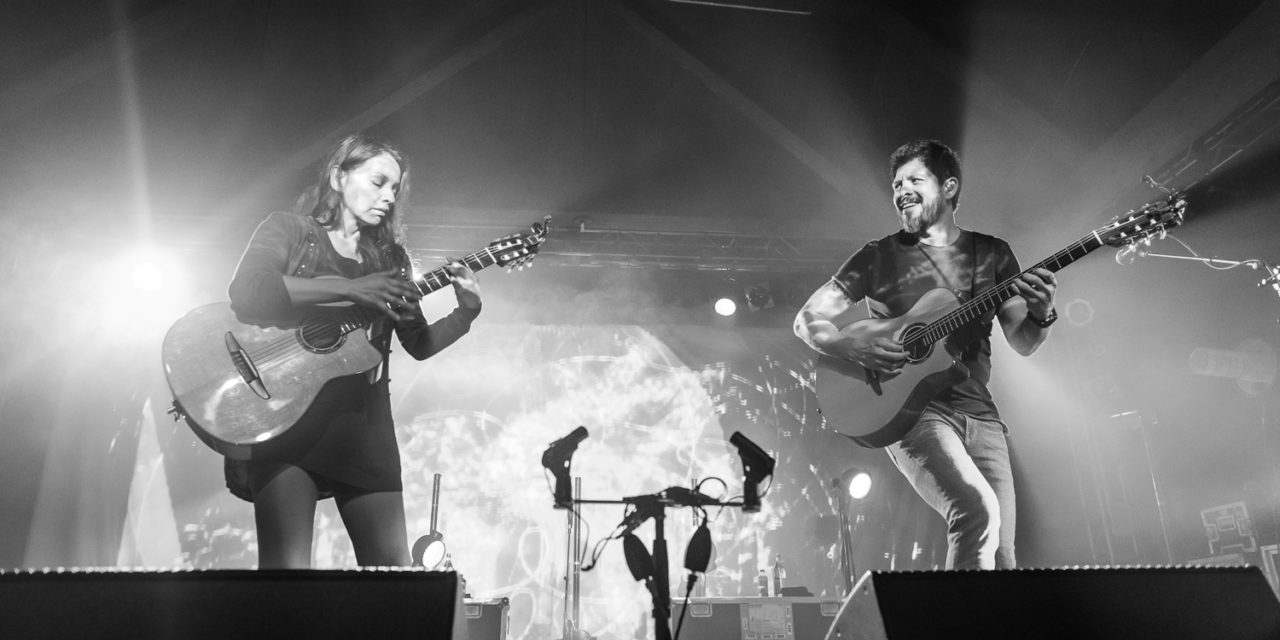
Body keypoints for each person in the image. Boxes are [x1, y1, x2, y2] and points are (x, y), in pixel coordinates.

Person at [794, 140, 1058, 570]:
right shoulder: (877, 257)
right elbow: (807, 319)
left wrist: (1042, 315)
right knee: (976, 512)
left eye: (915, 179)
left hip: (980, 412)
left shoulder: (993, 254)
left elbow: (1023, 341)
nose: (901, 191)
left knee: (1004, 555)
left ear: (949, 187)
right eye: (897, 184)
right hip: (912, 411)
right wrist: (849, 343)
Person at [225, 134, 482, 568]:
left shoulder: (391, 259)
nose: (389, 197)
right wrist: (349, 288)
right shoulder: (288, 230)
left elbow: (417, 343)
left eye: (395, 189)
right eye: (379, 181)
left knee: (393, 580)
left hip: (364, 431)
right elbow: (248, 291)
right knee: (284, 583)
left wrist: (466, 313)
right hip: (288, 425)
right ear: (339, 177)